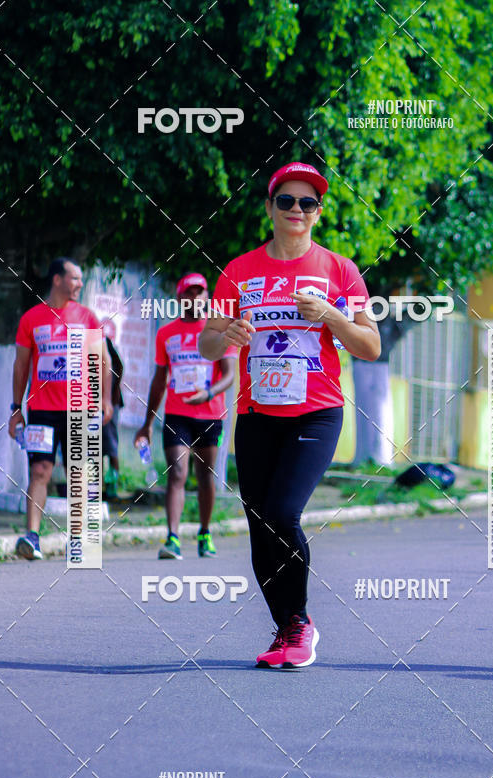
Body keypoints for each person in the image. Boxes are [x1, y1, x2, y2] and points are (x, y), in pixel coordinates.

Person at [199, 161, 381, 669]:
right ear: (270, 208)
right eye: (287, 201)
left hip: (315, 415)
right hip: (256, 414)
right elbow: (208, 341)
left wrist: (333, 316)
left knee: (282, 513)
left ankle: (299, 623)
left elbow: (370, 345)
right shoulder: (240, 270)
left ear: (318, 214)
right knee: (259, 523)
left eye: (307, 204)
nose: (296, 210)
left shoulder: (340, 271)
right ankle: (285, 630)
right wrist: (227, 334)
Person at [9, 257, 113, 560]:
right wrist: (17, 408)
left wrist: (104, 399)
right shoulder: (32, 319)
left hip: (80, 409)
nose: (79, 284)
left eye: (81, 279)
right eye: (74, 278)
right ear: (57, 279)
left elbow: (102, 362)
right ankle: (32, 537)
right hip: (41, 410)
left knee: (78, 474)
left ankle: (78, 539)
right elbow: (21, 366)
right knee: (39, 470)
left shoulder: (88, 317)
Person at [134, 273, 237, 560]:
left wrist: (209, 393)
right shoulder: (166, 334)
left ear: (207, 297)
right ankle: (173, 538)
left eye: (200, 292)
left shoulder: (219, 331)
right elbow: (158, 380)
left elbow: (229, 375)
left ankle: (204, 533)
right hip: (177, 414)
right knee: (177, 473)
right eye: (189, 293)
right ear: (179, 299)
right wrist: (147, 423)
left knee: (205, 477)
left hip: (210, 414)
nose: (195, 298)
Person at [101, 319, 124, 500]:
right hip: (92, 403)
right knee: (95, 447)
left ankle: (113, 485)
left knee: (111, 444)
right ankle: (98, 486)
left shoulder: (104, 342)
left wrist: (111, 393)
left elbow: (119, 366)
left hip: (111, 403)